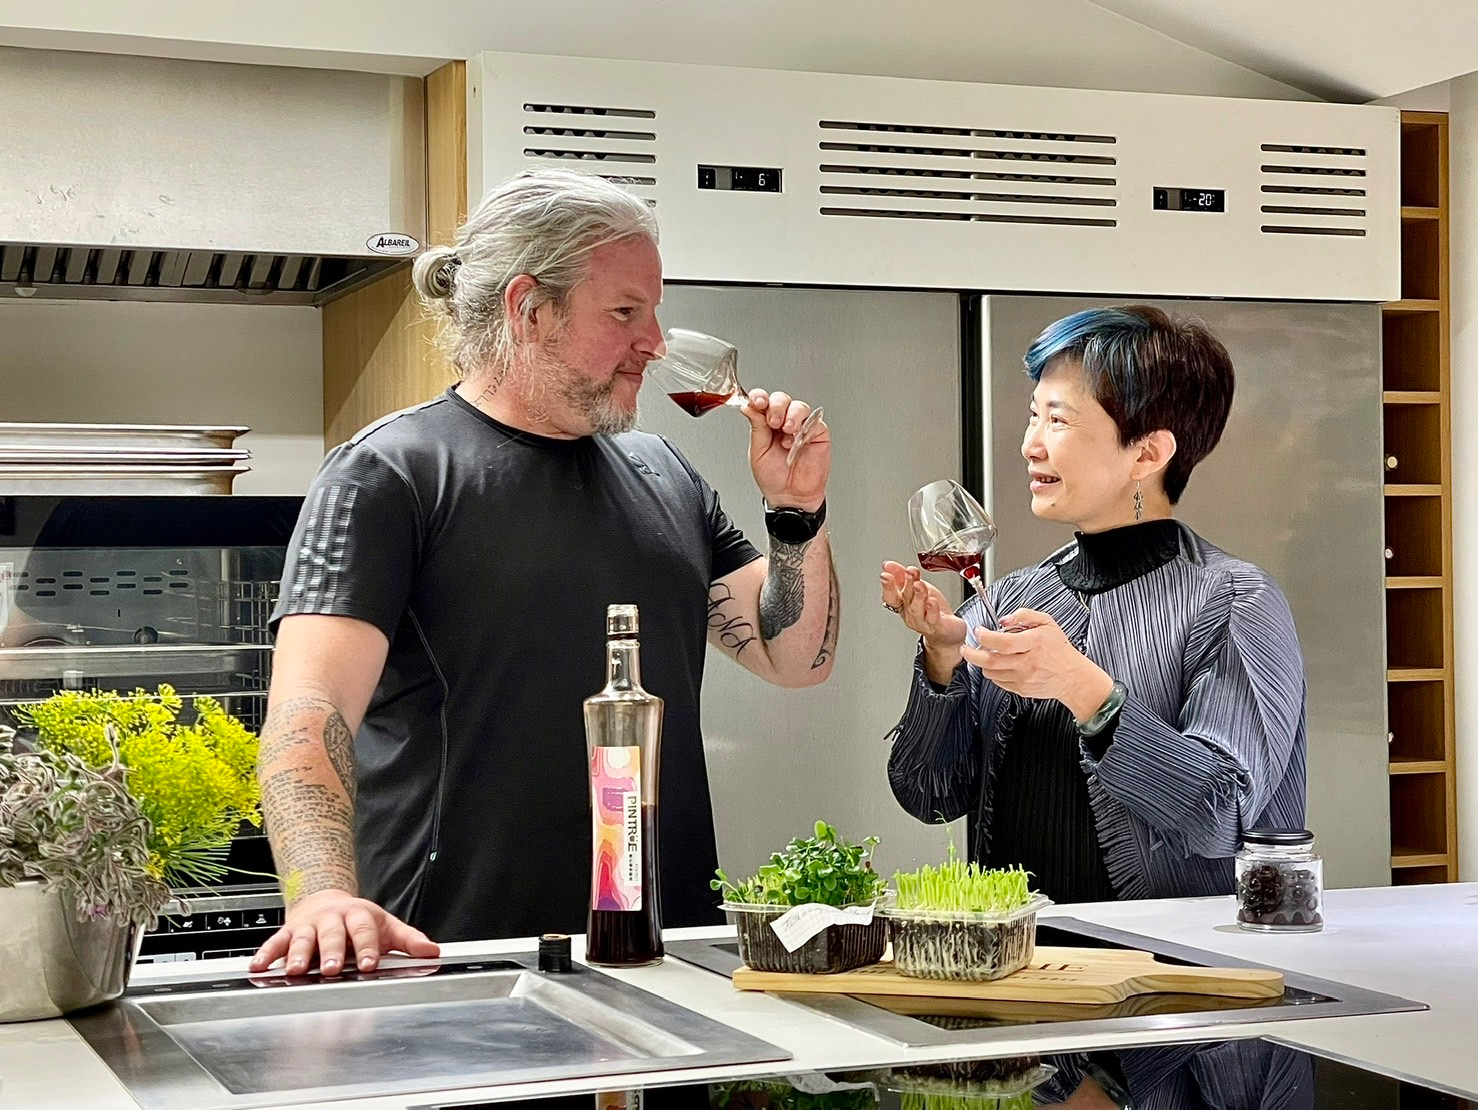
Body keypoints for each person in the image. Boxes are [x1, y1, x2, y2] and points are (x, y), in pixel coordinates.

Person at [250, 167, 839, 977]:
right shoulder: (391, 473)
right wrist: (319, 894)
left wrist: (796, 513)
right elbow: (306, 716)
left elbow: (794, 659)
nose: (655, 341)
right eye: (625, 312)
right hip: (457, 964)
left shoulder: (664, 473)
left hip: (662, 962)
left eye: (654, 311)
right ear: (529, 308)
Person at [880, 306, 1306, 904]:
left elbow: (1223, 814)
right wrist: (942, 659)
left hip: (1173, 958)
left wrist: (1084, 690)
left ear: (1147, 454)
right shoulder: (1013, 596)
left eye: (1058, 420)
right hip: (1022, 954)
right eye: (1034, 415)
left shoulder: (1234, 600)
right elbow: (929, 794)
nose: (1029, 445)